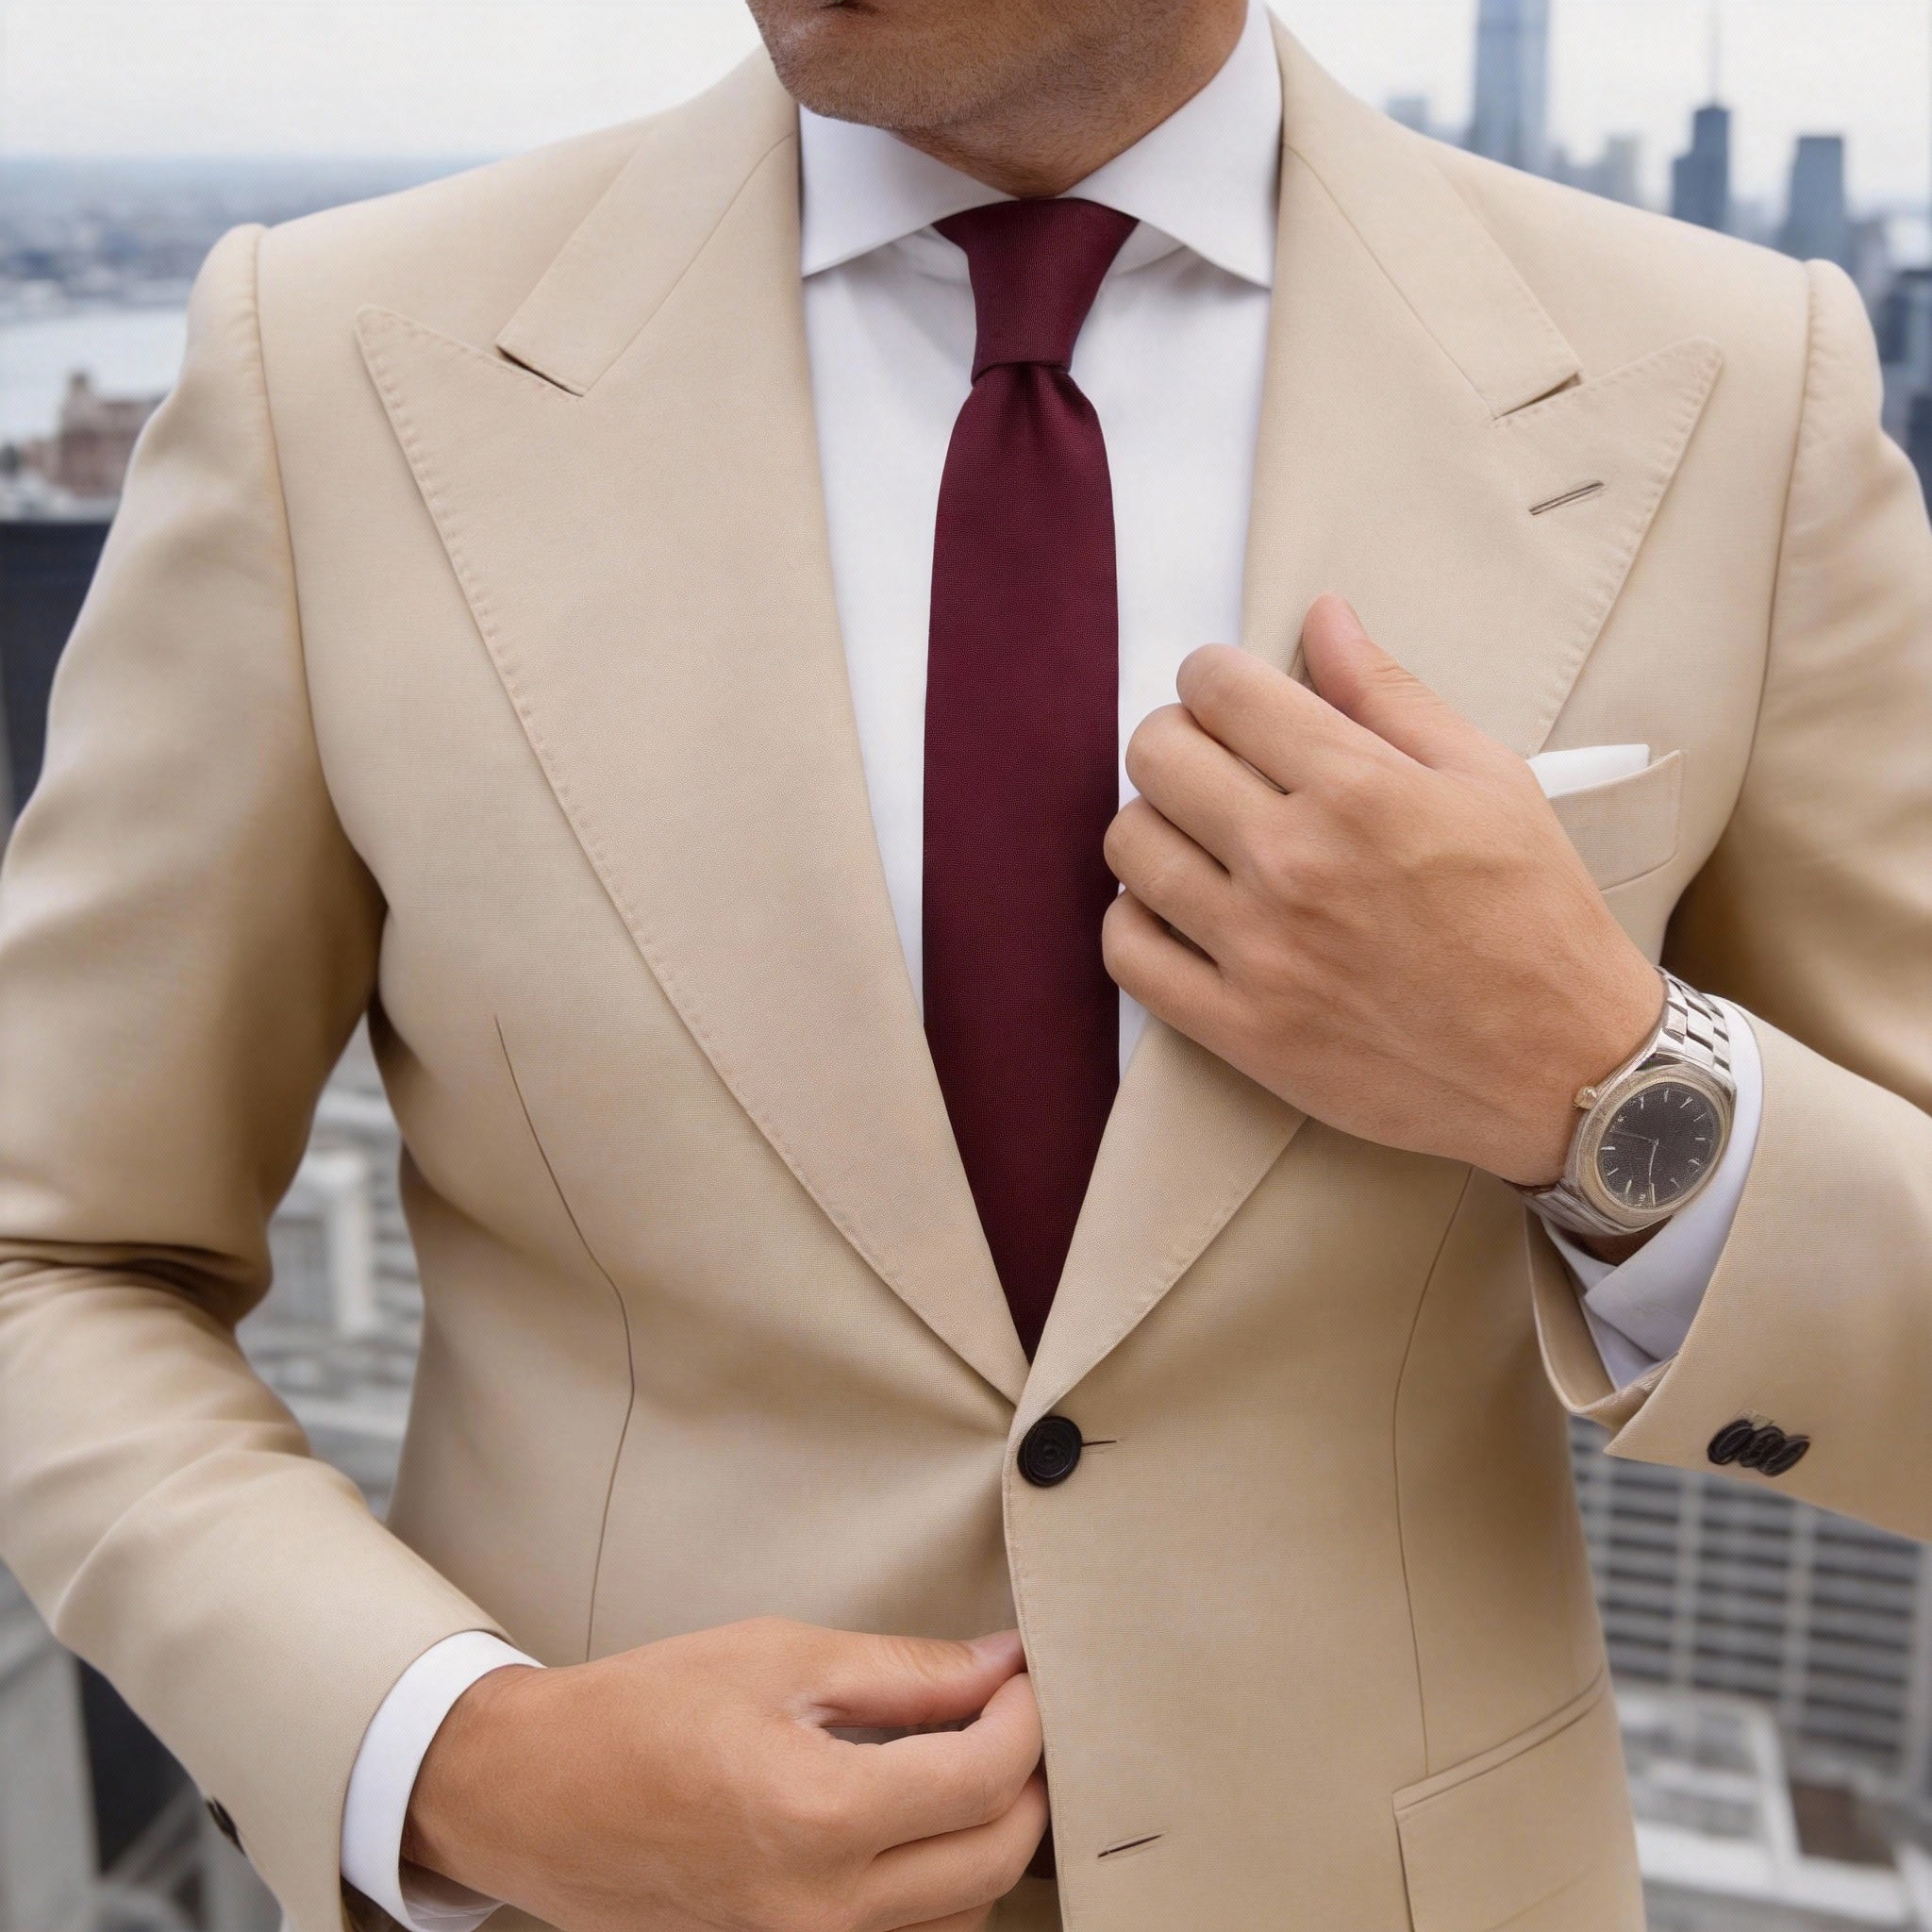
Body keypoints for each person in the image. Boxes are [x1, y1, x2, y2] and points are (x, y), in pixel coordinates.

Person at [1, 0, 1928, 1926]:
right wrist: (456, 1756)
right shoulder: (328, 369)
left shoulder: (1733, 391)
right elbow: (52, 1250)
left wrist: (1604, 1084)